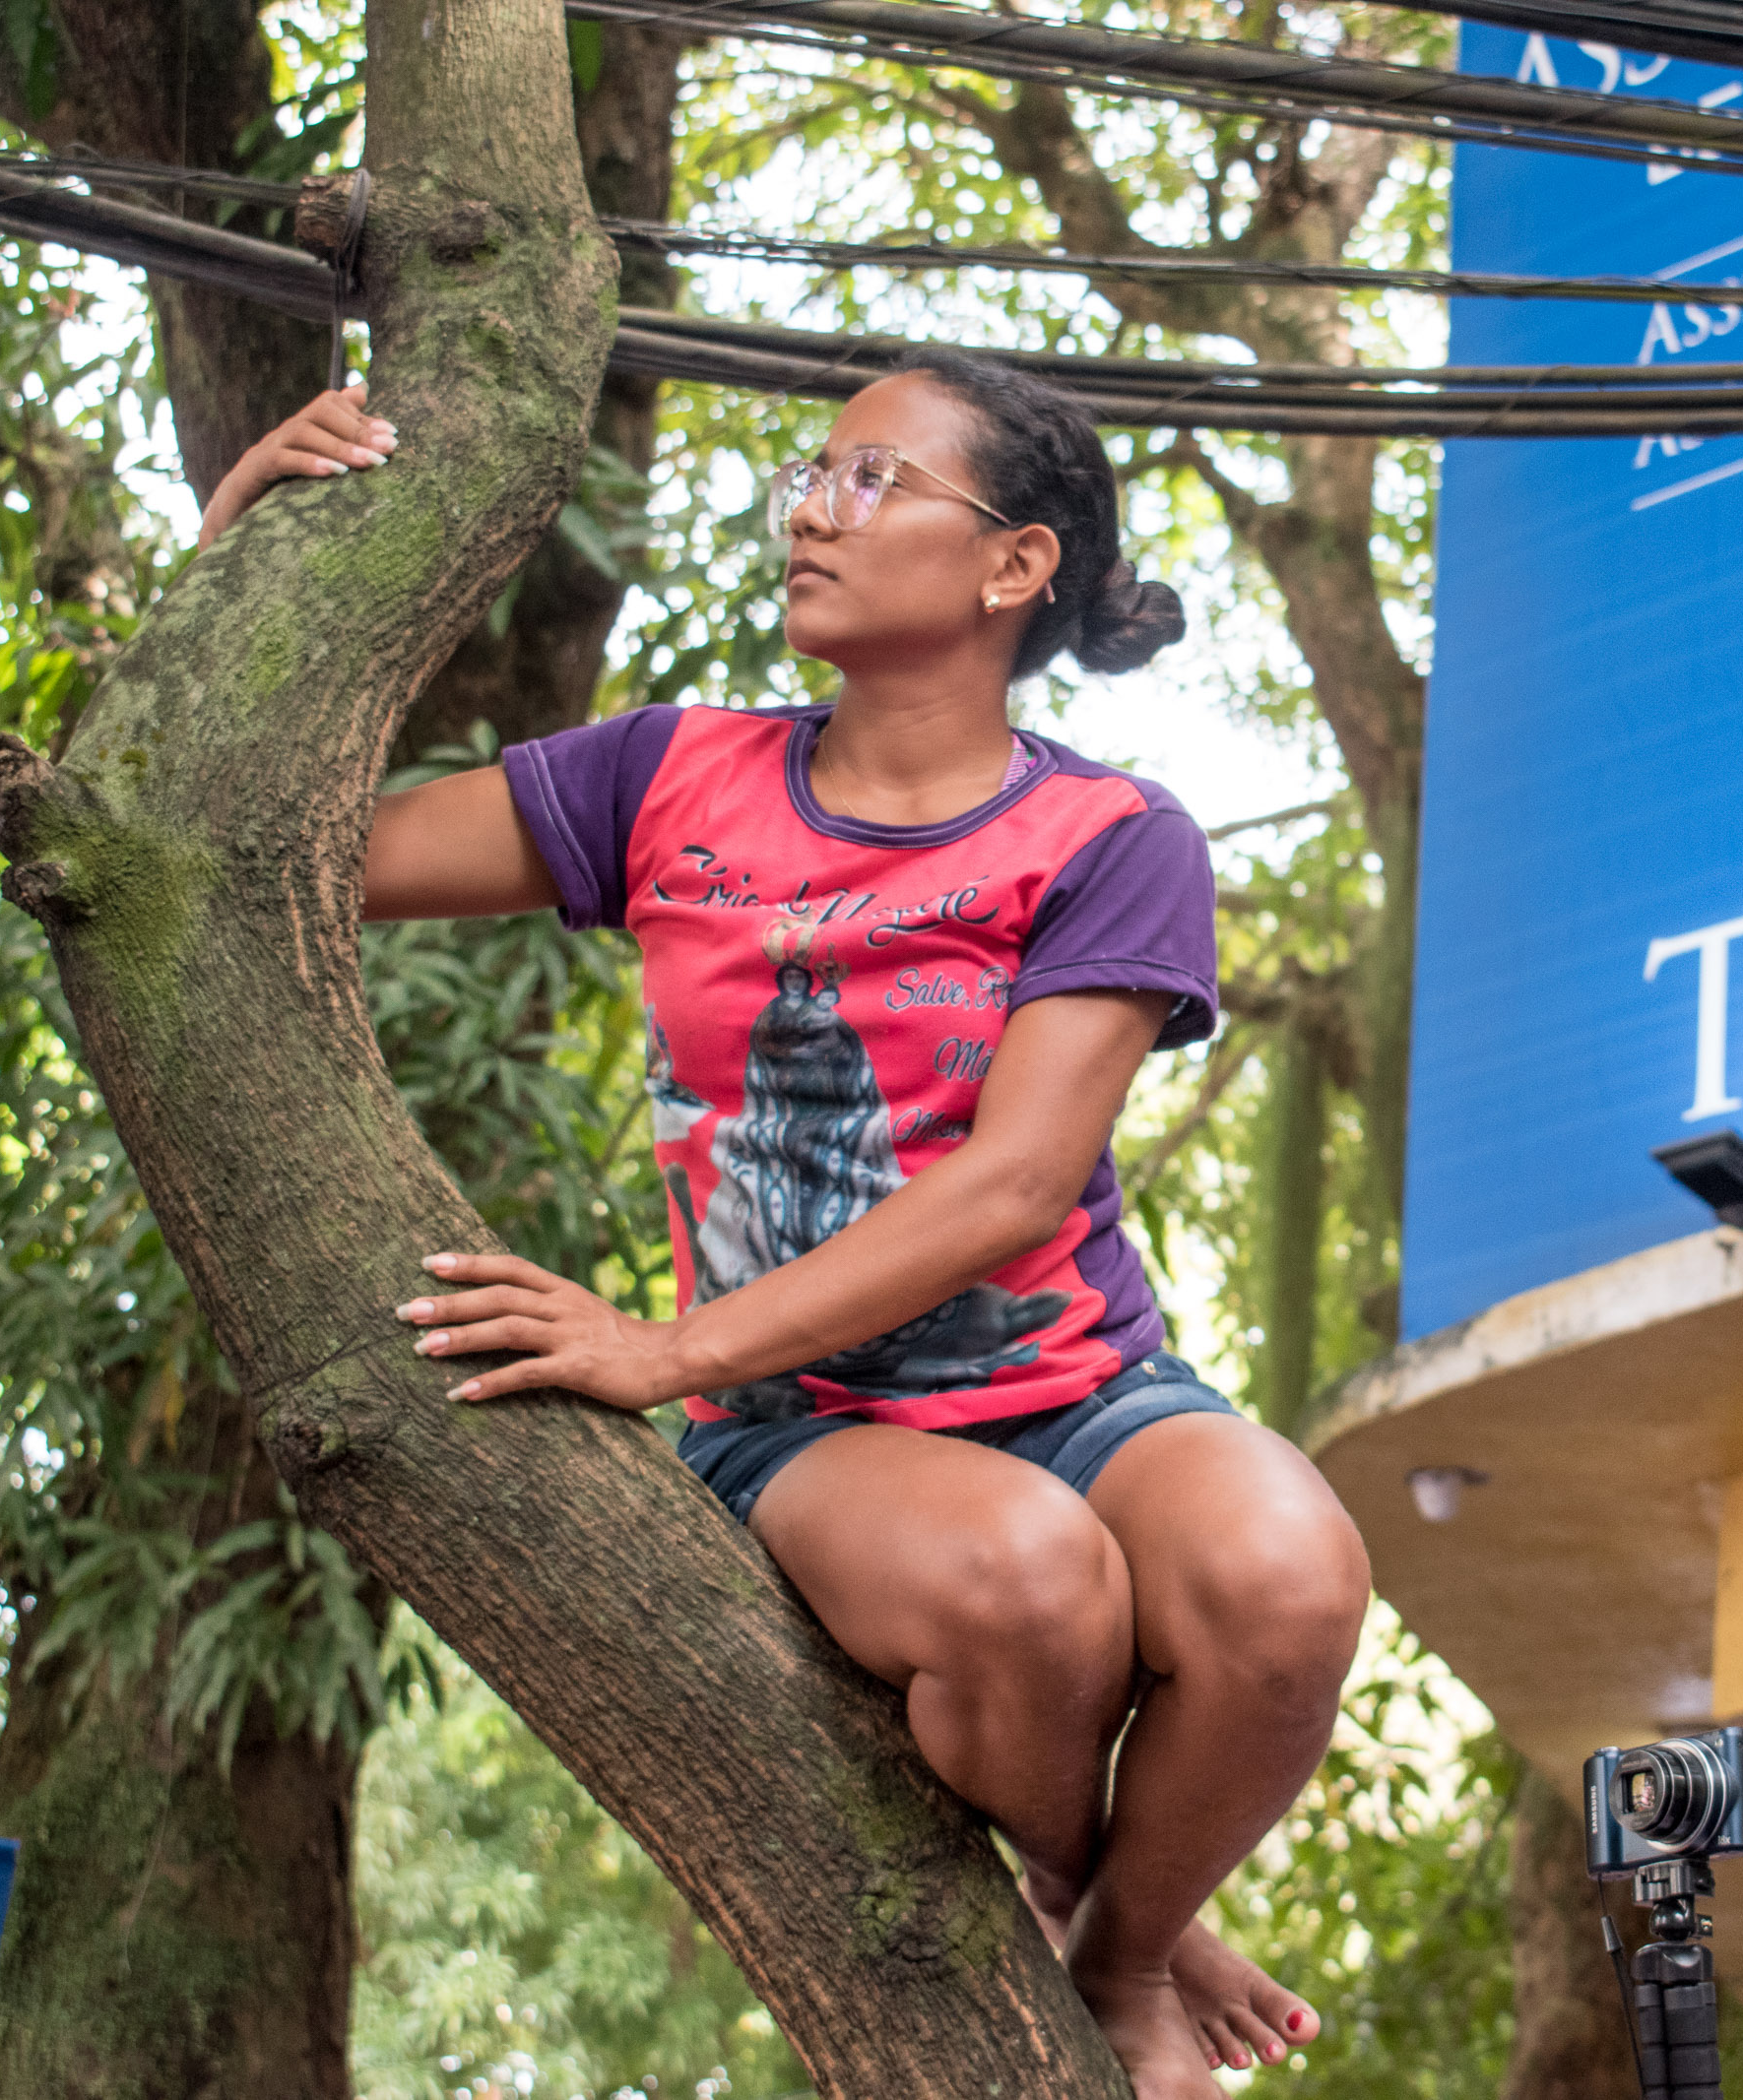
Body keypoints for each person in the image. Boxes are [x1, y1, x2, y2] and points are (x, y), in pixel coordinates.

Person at [206, 352, 1372, 2098]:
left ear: (1013, 567)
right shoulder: (665, 776)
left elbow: (1014, 1184)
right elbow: (279, 850)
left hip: (1080, 1392)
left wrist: (654, 1345)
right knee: (1028, 1581)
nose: (813, 509)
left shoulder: (1111, 834)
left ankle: (1120, 1955)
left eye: (874, 480)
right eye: (811, 474)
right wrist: (241, 545)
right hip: (806, 1425)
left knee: (1292, 1569)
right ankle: (1117, 1888)